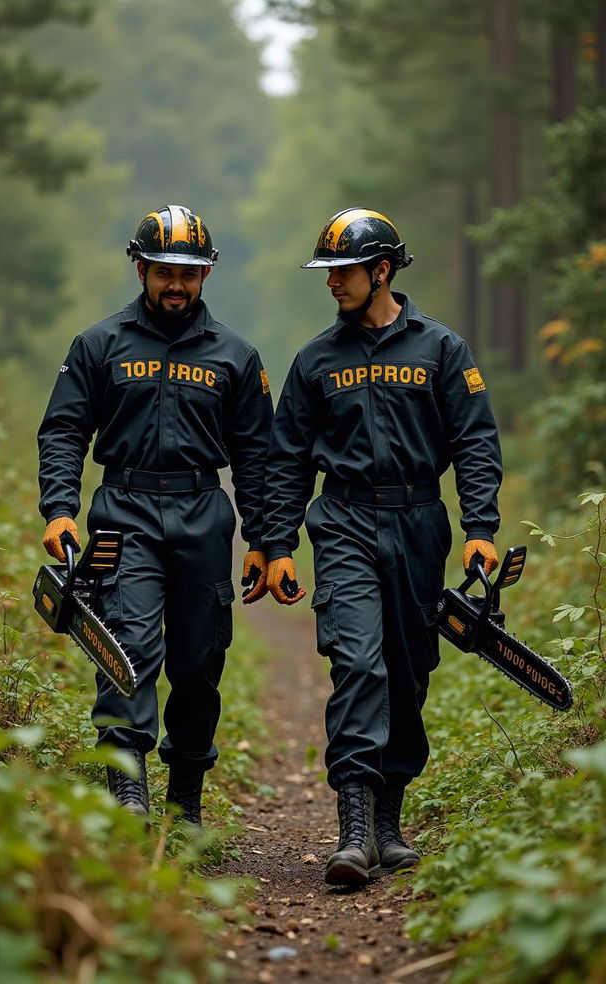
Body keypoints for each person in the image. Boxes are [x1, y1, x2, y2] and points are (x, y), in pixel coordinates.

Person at [262, 207, 502, 886]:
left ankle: (391, 822)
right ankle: (355, 829)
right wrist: (278, 544)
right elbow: (286, 461)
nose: (333, 283)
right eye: (328, 272)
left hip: (421, 523)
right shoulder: (315, 360)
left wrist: (480, 528)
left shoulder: (442, 350)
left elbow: (476, 443)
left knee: (406, 669)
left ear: (382, 270)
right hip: (342, 521)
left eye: (344, 272)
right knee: (358, 661)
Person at [38, 204, 273, 823]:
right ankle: (127, 786)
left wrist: (264, 539)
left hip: (203, 513)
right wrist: (60, 508)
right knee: (127, 644)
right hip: (123, 512)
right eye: (164, 271)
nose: (176, 284)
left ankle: (186, 799)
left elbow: (256, 455)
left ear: (206, 276)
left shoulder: (237, 356)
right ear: (140, 268)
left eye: (189, 274)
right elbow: (63, 431)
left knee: (199, 660)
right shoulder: (97, 344)